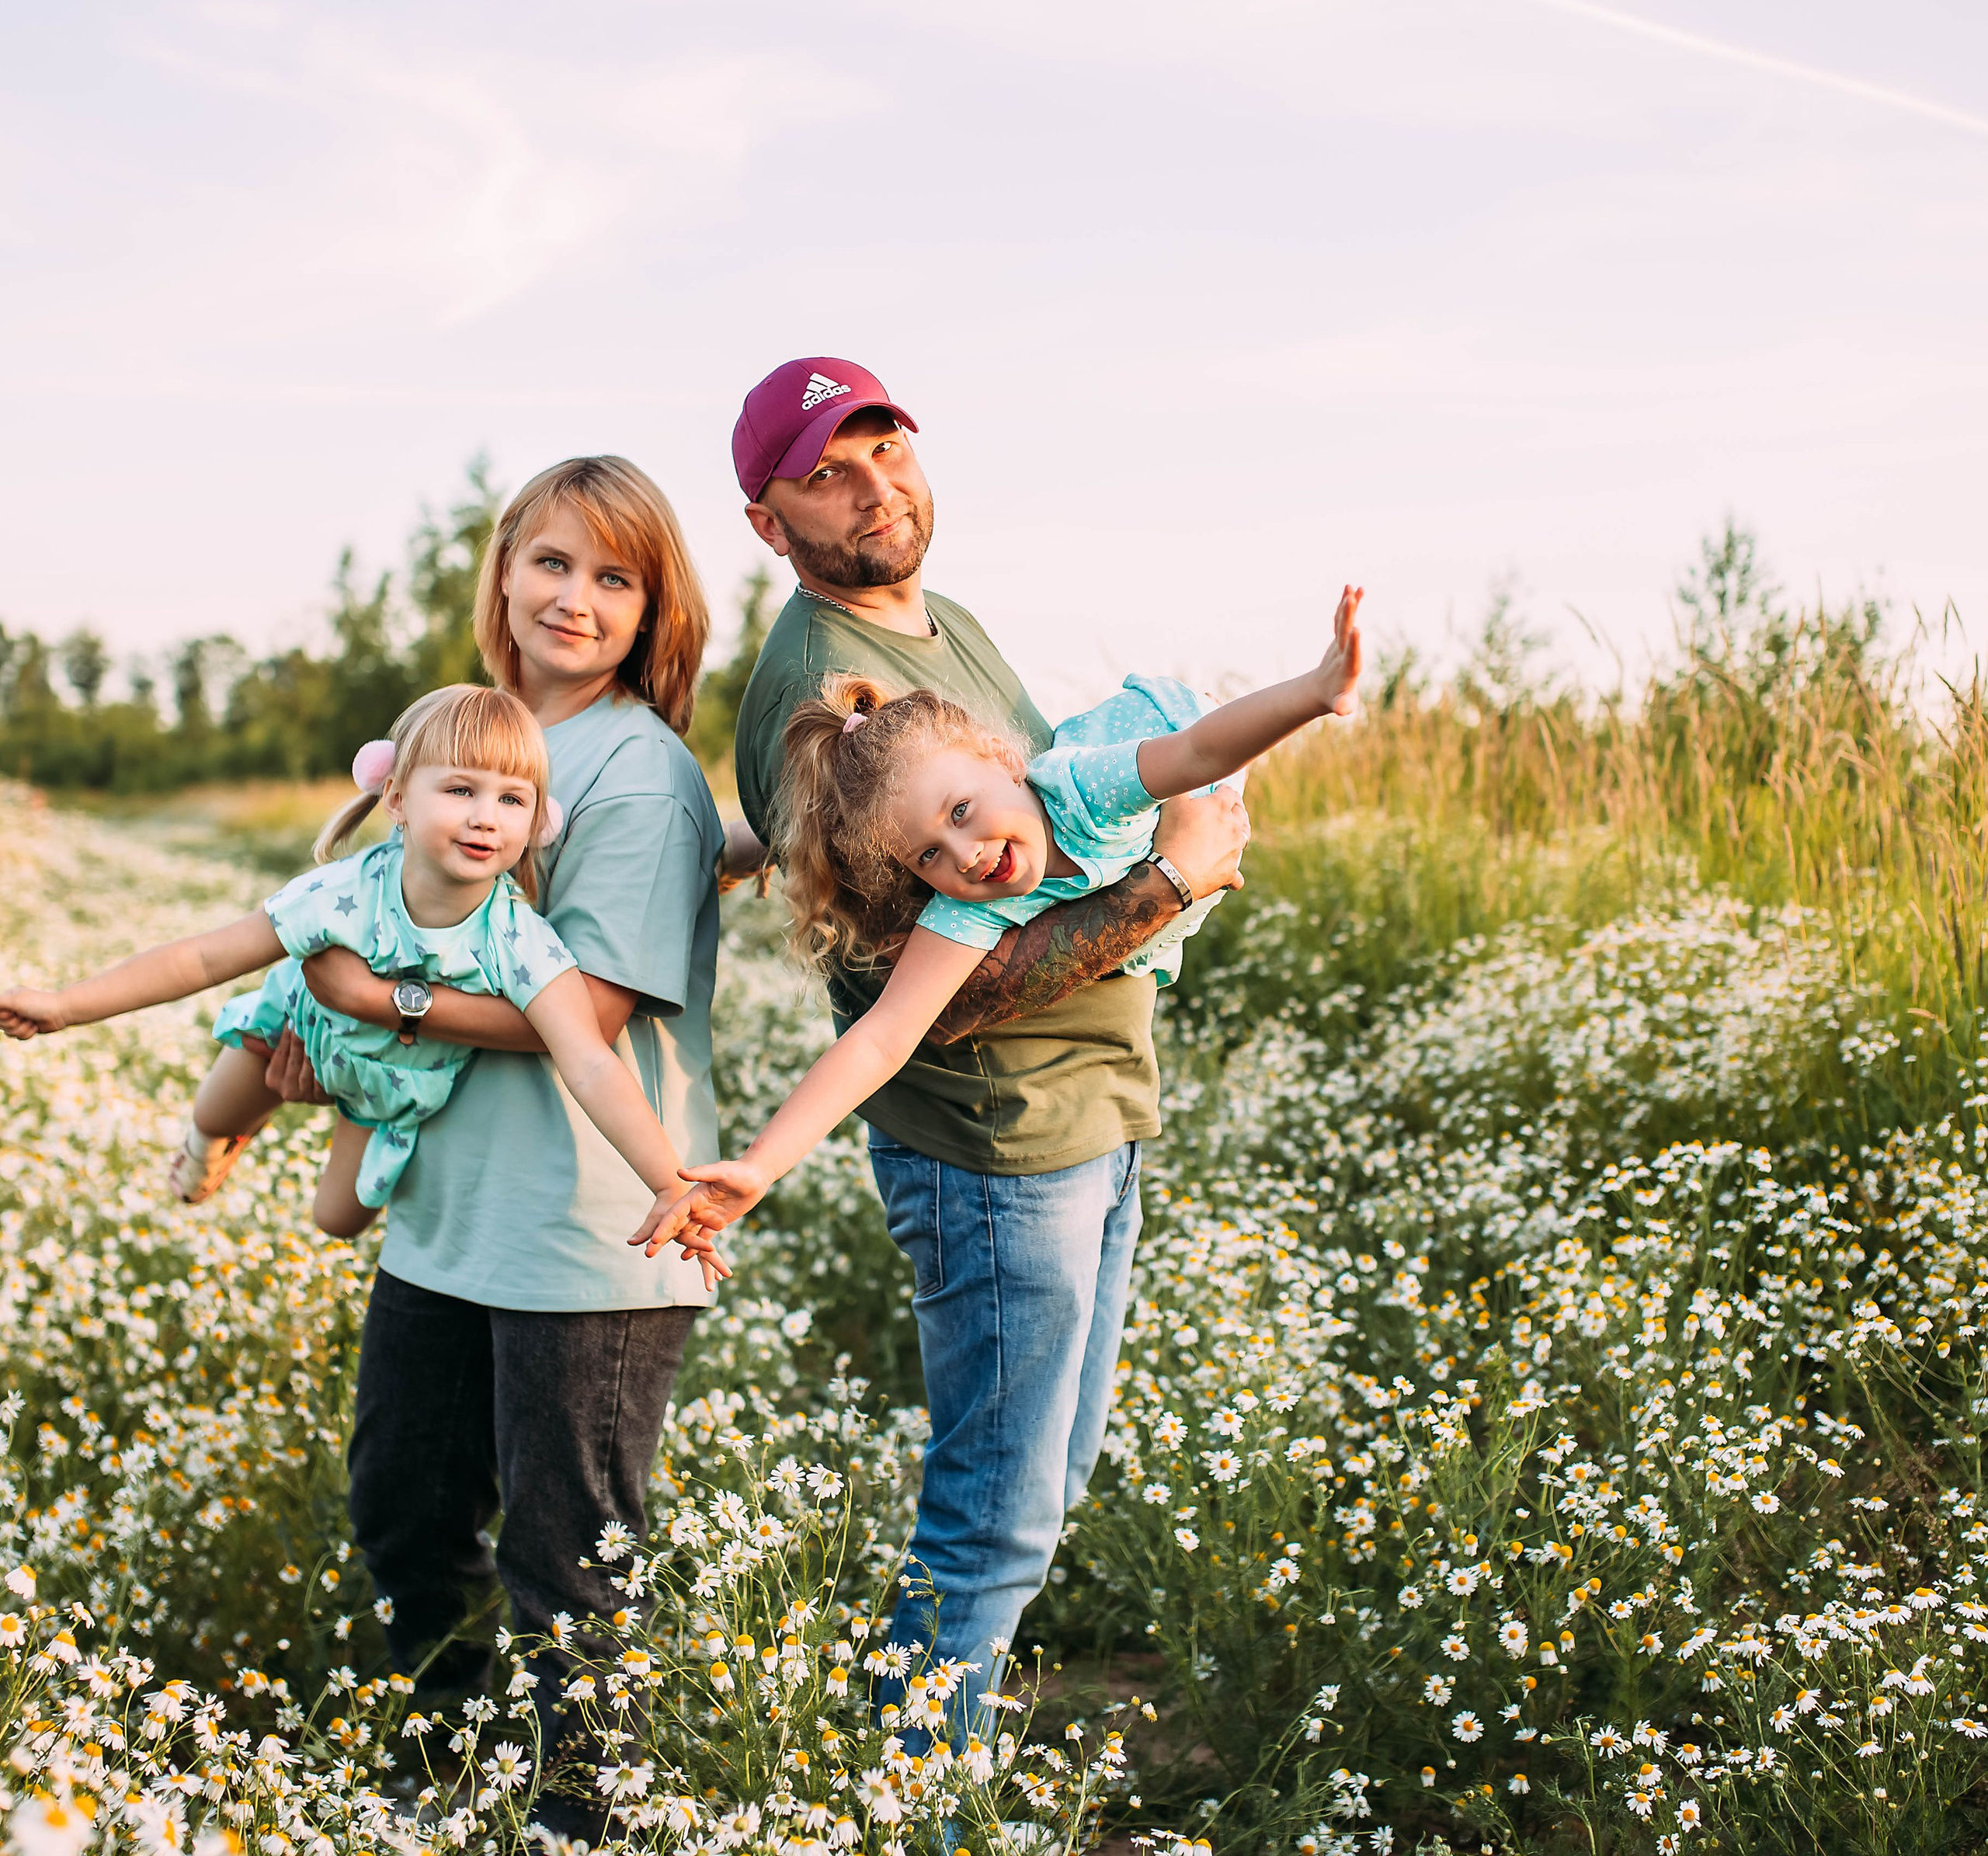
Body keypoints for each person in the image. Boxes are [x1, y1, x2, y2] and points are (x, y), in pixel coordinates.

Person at [715, 356, 1253, 1740]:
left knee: (1046, 1482)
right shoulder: (812, 692)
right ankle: (909, 1784)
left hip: (1088, 1113)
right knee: (993, 1522)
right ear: (770, 524)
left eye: (884, 447)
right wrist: (1169, 888)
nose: (872, 487)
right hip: (998, 1153)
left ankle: (914, 1750)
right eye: (826, 474)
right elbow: (917, 995)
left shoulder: (935, 622)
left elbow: (1043, 825)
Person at [265, 457, 724, 1841]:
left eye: (613, 577)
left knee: (566, 1567)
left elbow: (597, 1007)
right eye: (550, 562)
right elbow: (373, 929)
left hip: (583, 1232)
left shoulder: (640, 774)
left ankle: (587, 1818)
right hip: (446, 1210)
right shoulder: (481, 738)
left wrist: (377, 997)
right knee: (405, 1511)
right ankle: (455, 1778)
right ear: (504, 572)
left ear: (653, 611)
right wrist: (323, 1043)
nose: (573, 599)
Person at [655, 586, 1361, 1241]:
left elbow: (1202, 747)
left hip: (1183, 742)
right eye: (927, 855)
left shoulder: (1085, 787)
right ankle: (745, 843)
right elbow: (879, 1039)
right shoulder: (970, 905)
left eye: (961, 811)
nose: (964, 854)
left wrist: (1316, 692)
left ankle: (744, 845)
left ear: (1001, 758)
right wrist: (759, 1167)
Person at [0, 686, 726, 1274]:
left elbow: (592, 1062)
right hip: (298, 1028)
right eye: (461, 790)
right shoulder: (343, 894)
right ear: (399, 799)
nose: (484, 818)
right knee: (218, 1109)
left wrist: (669, 1181)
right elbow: (201, 959)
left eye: (512, 799)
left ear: (538, 821)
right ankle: (216, 1141)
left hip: (388, 1080)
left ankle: (305, 1114)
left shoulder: (519, 940)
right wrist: (65, 1007)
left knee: (336, 1220)